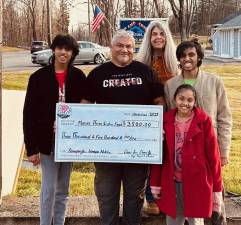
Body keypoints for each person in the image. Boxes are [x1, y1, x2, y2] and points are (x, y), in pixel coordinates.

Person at [81, 29, 164, 225]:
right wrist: (73, 125)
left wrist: (156, 126)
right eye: (120, 45)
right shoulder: (97, 74)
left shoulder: (146, 72)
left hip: (138, 147)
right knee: (106, 194)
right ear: (111, 48)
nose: (124, 50)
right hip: (106, 149)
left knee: (134, 196)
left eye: (129, 46)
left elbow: (159, 102)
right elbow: (84, 105)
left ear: (133, 49)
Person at [23, 34, 86, 225]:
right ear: (53, 49)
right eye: (60, 48)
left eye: (68, 49)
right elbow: (28, 114)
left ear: (73, 53)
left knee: (63, 190)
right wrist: (31, 148)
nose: (63, 52)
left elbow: (86, 107)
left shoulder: (78, 76)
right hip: (46, 141)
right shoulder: (38, 77)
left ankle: (59, 222)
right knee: (48, 188)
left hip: (69, 142)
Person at [150, 84, 223, 225]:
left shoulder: (204, 121)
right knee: (173, 219)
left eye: (190, 100)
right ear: (174, 99)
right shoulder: (164, 121)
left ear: (195, 102)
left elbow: (214, 157)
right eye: (181, 99)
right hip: (172, 181)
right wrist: (155, 183)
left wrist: (217, 189)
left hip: (197, 180)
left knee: (195, 221)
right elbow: (158, 156)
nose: (185, 103)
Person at [164, 41, 232, 166]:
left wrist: (223, 150)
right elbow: (168, 118)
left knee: (209, 183)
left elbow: (224, 117)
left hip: (208, 144)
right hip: (180, 147)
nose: (187, 58)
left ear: (199, 57)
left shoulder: (214, 82)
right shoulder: (170, 85)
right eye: (183, 56)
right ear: (179, 59)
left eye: (191, 55)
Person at [137, 20, 178, 214]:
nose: (158, 37)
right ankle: (150, 198)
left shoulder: (174, 63)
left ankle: (168, 196)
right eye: (154, 34)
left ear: (167, 37)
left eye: (162, 33)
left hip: (171, 117)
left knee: (168, 158)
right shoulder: (142, 63)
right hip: (148, 118)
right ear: (149, 38)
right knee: (149, 158)